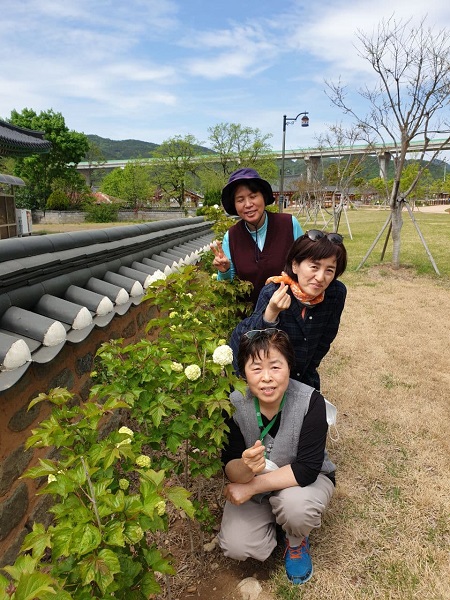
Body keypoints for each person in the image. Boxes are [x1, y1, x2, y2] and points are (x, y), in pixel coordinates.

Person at [218, 328, 336, 585]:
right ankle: (273, 522)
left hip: (303, 483)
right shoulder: (233, 405)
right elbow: (230, 468)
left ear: (289, 367)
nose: (267, 378)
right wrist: (246, 467)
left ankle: (296, 540)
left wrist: (251, 487)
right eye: (256, 368)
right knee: (236, 545)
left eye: (275, 367)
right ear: (243, 373)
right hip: (256, 481)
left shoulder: (310, 402)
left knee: (297, 508)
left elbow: (306, 469)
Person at [229, 230, 347, 390]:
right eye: (314, 266)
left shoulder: (335, 294)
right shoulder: (274, 292)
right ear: (295, 265)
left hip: (305, 376)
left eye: (329, 270)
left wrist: (307, 370)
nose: (320, 277)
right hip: (270, 380)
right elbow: (248, 344)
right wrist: (271, 313)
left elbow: (326, 338)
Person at [211, 168, 303, 306]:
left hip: (289, 311)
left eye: (253, 196)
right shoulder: (231, 237)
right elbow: (226, 285)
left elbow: (305, 264)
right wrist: (225, 270)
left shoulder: (289, 224)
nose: (248, 204)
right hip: (251, 319)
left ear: (263, 197)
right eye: (240, 200)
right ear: (235, 205)